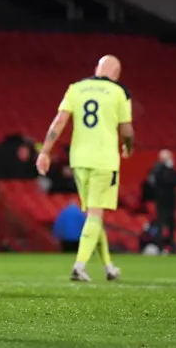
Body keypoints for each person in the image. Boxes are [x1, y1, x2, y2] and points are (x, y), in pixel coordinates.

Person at [36, 55, 134, 282]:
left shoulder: (76, 88)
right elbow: (127, 130)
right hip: (104, 160)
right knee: (96, 213)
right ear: (117, 74)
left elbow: (59, 121)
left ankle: (109, 266)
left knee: (92, 213)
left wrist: (45, 151)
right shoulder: (119, 92)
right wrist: (128, 147)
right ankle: (79, 266)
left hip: (79, 160)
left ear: (96, 68)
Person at [149, 149, 176, 253]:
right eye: (170, 157)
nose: (172, 160)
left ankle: (172, 247)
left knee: (171, 225)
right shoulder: (159, 170)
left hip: (170, 202)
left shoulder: (167, 169)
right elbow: (174, 179)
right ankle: (160, 247)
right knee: (162, 225)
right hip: (163, 201)